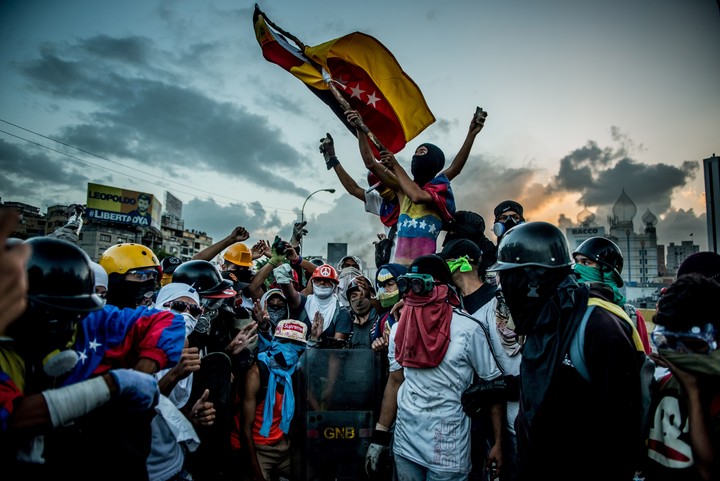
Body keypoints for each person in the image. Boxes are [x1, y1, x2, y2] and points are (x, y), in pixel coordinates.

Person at [4, 236, 184, 479]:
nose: (68, 324)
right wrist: (110, 385)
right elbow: (13, 418)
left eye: (73, 313)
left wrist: (140, 372)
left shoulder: (89, 319)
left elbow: (167, 321)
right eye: (55, 315)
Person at [487, 221, 643, 480]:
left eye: (509, 276)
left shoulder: (598, 326)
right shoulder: (542, 319)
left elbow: (623, 433)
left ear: (533, 279)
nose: (503, 287)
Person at [366, 254, 504, 480]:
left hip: (447, 443)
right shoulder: (399, 330)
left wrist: (498, 443)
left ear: (442, 289)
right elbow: (395, 381)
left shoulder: (468, 330)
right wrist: (380, 437)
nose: (415, 293)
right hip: (406, 439)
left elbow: (493, 387)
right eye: (410, 285)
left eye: (422, 285)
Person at [347, 107, 488, 266]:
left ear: (434, 161)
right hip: (398, 270)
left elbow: (453, 169)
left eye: (422, 152)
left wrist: (471, 134)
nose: (416, 156)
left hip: (426, 270)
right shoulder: (401, 189)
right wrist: (359, 129)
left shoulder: (438, 190)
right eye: (415, 153)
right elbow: (371, 163)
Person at [439, 238, 521, 481]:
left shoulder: (500, 303)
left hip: (511, 419)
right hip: (470, 419)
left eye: (447, 261)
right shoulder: (453, 306)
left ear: (465, 263)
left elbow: (515, 361)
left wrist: (501, 388)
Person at [642, 273, 720, 481]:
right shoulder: (662, 383)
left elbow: (709, 471)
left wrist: (693, 392)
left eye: (690, 343)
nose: (679, 353)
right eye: (668, 343)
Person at [319, 133, 400, 267]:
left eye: (385, 186)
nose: (383, 192)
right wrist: (333, 160)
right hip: (392, 268)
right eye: (379, 190)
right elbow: (353, 189)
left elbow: (370, 163)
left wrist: (360, 131)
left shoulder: (411, 196)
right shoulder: (382, 203)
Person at [242, 319, 308, 481]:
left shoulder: (294, 372)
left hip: (283, 446)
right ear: (275, 341)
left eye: (295, 343)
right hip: (259, 449)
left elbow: (311, 403)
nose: (289, 348)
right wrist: (256, 473)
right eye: (284, 341)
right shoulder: (256, 375)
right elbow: (245, 430)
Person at [572, 236, 652, 354]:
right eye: (576, 262)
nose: (577, 268)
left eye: (586, 262)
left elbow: (644, 360)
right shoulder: (567, 306)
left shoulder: (631, 316)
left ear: (607, 271)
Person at [275, 262, 352, 347]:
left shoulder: (342, 313)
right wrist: (284, 280)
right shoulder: (303, 302)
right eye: (318, 279)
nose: (322, 283)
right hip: (296, 358)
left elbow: (336, 352)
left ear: (335, 285)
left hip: (325, 359)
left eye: (327, 280)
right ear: (312, 282)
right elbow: (290, 295)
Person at [99, 242, 163, 309]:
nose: (150, 281)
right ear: (115, 280)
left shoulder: (151, 311)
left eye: (153, 275)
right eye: (140, 276)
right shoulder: (98, 315)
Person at [370, 263, 408, 352]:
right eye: (380, 286)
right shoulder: (383, 320)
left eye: (390, 284)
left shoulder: (416, 314)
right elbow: (376, 346)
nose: (384, 290)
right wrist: (377, 344)